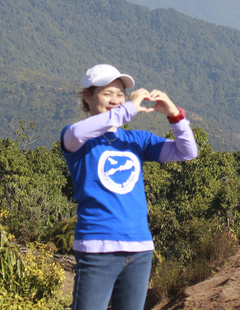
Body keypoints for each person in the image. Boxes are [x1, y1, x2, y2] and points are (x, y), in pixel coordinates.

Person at [61, 64, 198, 310]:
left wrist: (175, 115)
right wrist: (130, 108)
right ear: (87, 97)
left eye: (120, 94)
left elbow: (187, 152)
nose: (115, 100)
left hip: (139, 248)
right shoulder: (75, 137)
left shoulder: (137, 140)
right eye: (107, 93)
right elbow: (84, 129)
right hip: (96, 248)